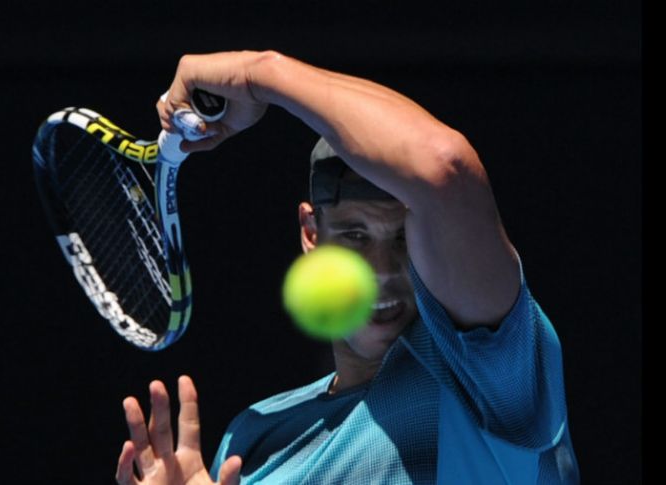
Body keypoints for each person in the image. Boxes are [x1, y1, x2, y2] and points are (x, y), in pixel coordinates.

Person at [115, 51, 580, 485]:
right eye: (355, 236)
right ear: (311, 233)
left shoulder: (494, 374)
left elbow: (442, 166)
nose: (381, 269)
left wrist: (259, 73)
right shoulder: (253, 438)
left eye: (403, 238)